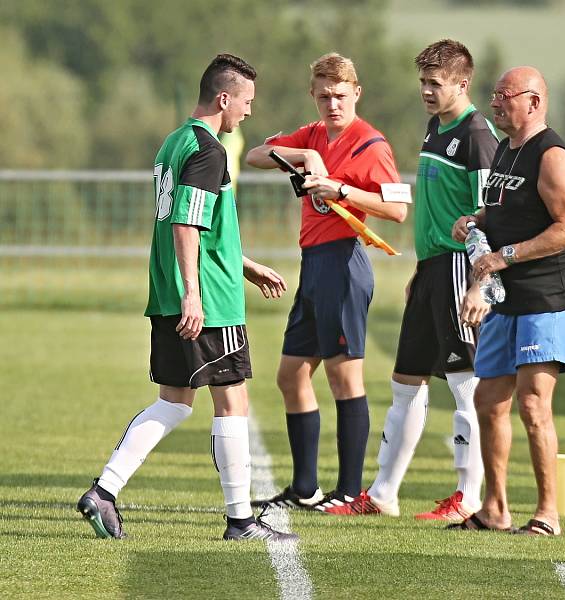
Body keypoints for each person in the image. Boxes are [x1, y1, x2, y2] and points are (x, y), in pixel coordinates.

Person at [77, 54, 295, 542]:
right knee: (232, 403)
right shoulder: (209, 149)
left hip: (169, 291)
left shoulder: (173, 142)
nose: (249, 112)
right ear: (224, 98)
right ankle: (241, 521)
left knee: (174, 402)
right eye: (246, 101)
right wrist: (195, 293)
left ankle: (104, 492)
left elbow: (198, 223)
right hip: (208, 301)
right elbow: (186, 224)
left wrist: (247, 264)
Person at [324, 39, 498, 519]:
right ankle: (383, 495)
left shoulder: (478, 135)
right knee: (405, 383)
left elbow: (491, 214)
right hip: (432, 271)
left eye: (435, 83)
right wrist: (423, 270)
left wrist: (479, 283)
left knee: (465, 382)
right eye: (422, 81)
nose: (426, 90)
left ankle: (469, 498)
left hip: (462, 268)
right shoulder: (434, 127)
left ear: (462, 84)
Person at [245, 53, 408, 512]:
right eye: (323, 96)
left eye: (340, 95)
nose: (332, 104)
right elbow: (258, 153)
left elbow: (397, 209)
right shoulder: (313, 134)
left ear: (356, 93)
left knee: (343, 377)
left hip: (345, 263)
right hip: (313, 265)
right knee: (291, 375)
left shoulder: (371, 144)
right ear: (313, 96)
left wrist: (341, 190)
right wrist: (305, 155)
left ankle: (350, 491)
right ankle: (304, 489)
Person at [449, 66, 565, 535]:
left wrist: (504, 256)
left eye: (503, 96)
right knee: (489, 400)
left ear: (533, 101)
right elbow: (504, 208)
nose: (494, 104)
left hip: (549, 295)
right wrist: (475, 219)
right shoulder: (508, 150)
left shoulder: (550, 155)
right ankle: (495, 509)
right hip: (507, 296)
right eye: (494, 96)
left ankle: (547, 512)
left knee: (533, 404)